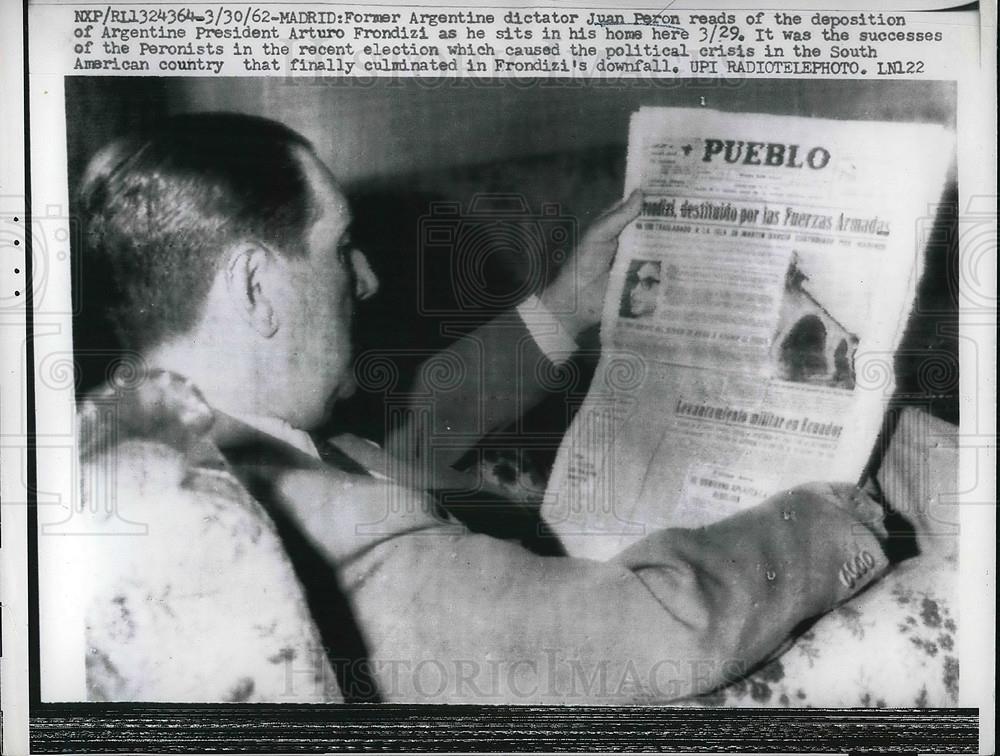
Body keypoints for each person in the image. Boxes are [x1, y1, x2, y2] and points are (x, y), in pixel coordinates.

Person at [69, 113, 894, 703]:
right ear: (255, 287)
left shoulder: (155, 432)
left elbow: (390, 443)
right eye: (340, 247)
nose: (367, 281)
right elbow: (639, 638)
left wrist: (565, 307)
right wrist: (827, 525)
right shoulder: (321, 540)